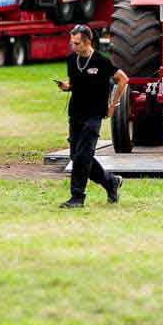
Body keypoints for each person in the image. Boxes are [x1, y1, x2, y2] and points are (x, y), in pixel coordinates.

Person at [55, 24, 129, 207]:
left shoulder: (101, 62)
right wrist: (67, 86)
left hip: (94, 115)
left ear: (87, 42)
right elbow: (76, 83)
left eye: (77, 43)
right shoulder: (72, 60)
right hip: (76, 113)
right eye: (72, 43)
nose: (73, 46)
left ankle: (77, 197)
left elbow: (123, 79)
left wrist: (113, 104)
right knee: (76, 155)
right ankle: (110, 182)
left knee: (83, 156)